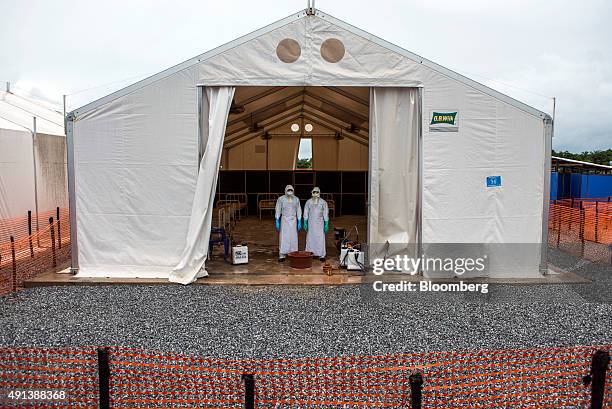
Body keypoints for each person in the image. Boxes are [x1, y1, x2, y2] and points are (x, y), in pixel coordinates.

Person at [275, 185, 302, 262]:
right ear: (285, 190)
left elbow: (299, 210)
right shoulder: (281, 199)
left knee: (293, 237)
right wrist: (277, 219)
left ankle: (293, 253)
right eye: (288, 190)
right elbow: (278, 209)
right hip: (284, 220)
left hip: (293, 220)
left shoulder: (296, 199)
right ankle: (282, 255)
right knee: (284, 237)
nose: (290, 192)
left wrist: (299, 220)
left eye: (291, 190)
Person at [303, 186, 329, 261]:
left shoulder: (323, 202)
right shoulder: (308, 202)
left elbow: (325, 213)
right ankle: (311, 253)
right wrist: (305, 221)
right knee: (310, 238)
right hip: (311, 223)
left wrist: (326, 223)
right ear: (311, 193)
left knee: (320, 238)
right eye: (314, 192)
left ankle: (321, 255)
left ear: (319, 193)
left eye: (317, 192)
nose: (315, 194)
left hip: (320, 223)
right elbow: (305, 212)